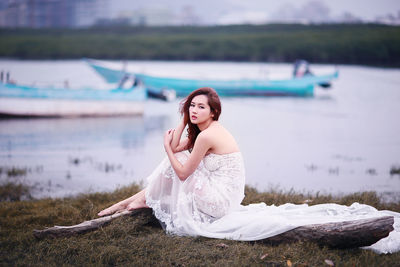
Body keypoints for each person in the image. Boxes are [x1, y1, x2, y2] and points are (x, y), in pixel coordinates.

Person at [98, 87, 399, 254]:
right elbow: (179, 146)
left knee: (170, 166)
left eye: (201, 107)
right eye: (192, 105)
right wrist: (182, 117)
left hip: (219, 200)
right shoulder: (202, 130)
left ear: (213, 112)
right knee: (171, 164)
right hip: (224, 195)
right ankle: (129, 203)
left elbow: (178, 168)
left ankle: (131, 203)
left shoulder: (207, 135)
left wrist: (166, 148)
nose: (195, 111)